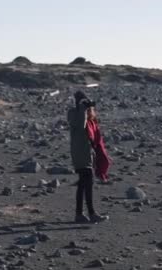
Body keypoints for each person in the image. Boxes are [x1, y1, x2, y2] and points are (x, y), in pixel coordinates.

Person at [67, 90, 109, 223]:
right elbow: (80, 125)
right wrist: (82, 110)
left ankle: (80, 214)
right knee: (86, 182)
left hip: (88, 153)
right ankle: (89, 214)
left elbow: (94, 137)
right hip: (80, 154)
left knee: (83, 184)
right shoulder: (73, 113)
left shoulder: (89, 116)